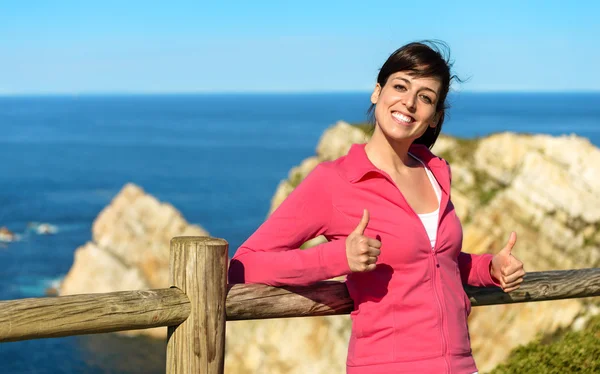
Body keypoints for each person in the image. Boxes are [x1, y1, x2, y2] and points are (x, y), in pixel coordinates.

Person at [228, 41, 526, 374]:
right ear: (377, 92)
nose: (409, 102)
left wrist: (490, 268)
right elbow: (244, 265)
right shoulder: (335, 181)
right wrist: (338, 258)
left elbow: (435, 262)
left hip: (460, 366)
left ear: (435, 117)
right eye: (400, 86)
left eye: (425, 97)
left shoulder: (436, 174)